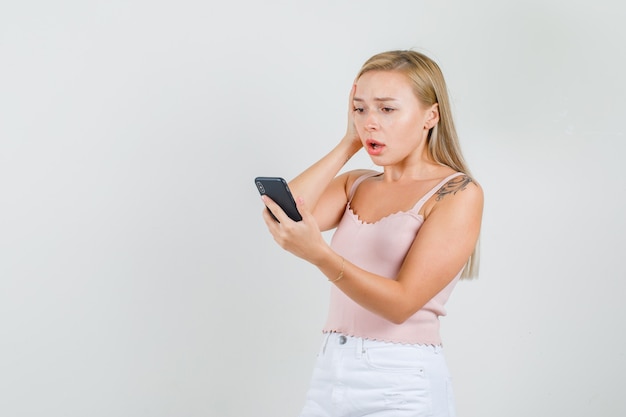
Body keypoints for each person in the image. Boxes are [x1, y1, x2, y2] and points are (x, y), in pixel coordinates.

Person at [260, 49, 483, 417]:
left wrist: (321, 255)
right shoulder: (357, 184)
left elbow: (400, 304)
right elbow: (283, 211)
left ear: (431, 115)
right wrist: (349, 143)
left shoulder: (457, 192)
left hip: (401, 380)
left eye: (387, 109)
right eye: (360, 109)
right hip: (330, 372)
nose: (370, 122)